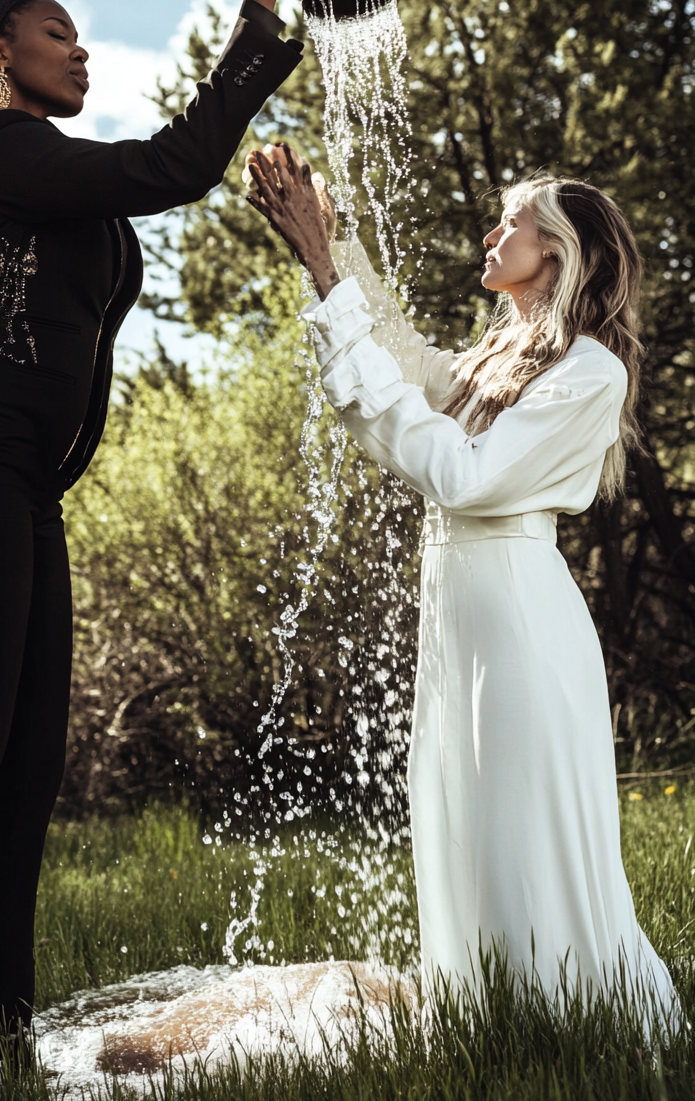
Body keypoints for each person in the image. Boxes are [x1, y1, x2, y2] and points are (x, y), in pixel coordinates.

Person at [0, 0, 303, 1101]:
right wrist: (260, 1)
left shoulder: (47, 172)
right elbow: (175, 165)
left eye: (77, 33)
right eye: (58, 32)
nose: (81, 50)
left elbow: (149, 181)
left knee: (25, 759)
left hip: (24, 489)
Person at [244, 143, 677, 1017]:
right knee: (467, 824)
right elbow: (404, 362)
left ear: (554, 249)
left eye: (509, 221)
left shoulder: (592, 371)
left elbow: (467, 478)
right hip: (463, 618)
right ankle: (494, 1019)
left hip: (520, 624)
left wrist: (329, 269)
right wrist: (333, 250)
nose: (490, 233)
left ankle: (582, 1023)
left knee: (520, 829)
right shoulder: (498, 359)